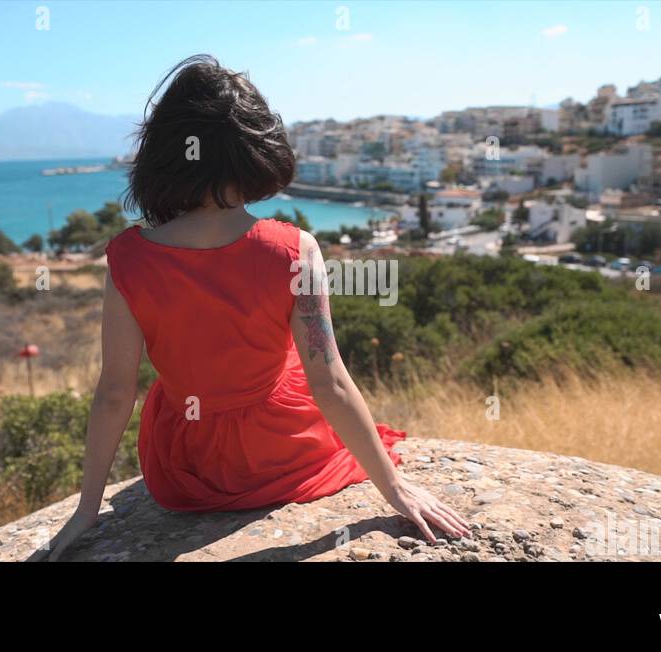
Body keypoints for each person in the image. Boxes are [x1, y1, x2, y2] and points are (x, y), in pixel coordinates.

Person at [37, 55, 469, 561]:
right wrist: (393, 488)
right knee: (287, 359)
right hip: (282, 452)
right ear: (256, 151)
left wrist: (88, 510)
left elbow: (115, 391)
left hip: (188, 470)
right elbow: (327, 382)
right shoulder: (294, 248)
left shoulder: (128, 258)